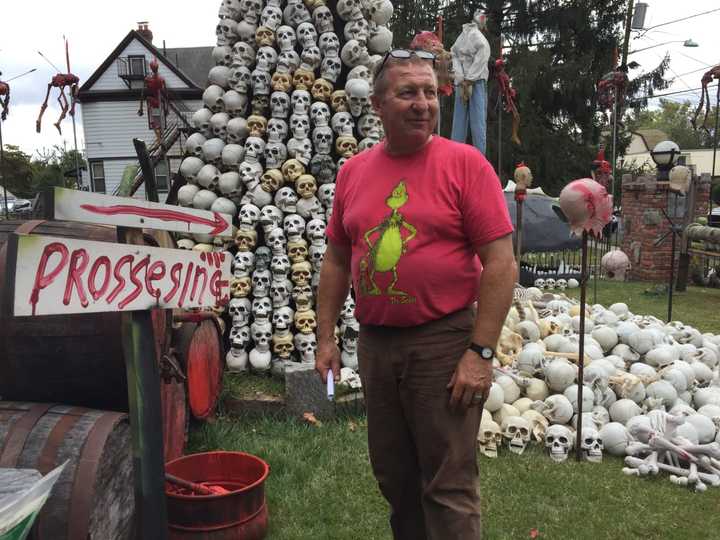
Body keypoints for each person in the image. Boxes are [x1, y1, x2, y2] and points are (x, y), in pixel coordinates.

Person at [315, 49, 517, 540]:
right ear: (379, 104)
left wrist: (480, 352)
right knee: (395, 476)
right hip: (376, 344)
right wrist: (325, 338)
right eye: (408, 93)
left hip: (443, 344)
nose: (422, 103)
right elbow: (337, 259)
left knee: (448, 484)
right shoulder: (353, 173)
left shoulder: (465, 165)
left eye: (429, 92)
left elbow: (501, 262)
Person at [451, 10, 492, 153]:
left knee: (459, 122)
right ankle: (479, 158)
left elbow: (454, 54)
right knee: (478, 123)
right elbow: (482, 58)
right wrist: (470, 79)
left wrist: (461, 77)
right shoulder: (480, 38)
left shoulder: (462, 36)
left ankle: (454, 156)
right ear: (482, 21)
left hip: (462, 83)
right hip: (476, 82)